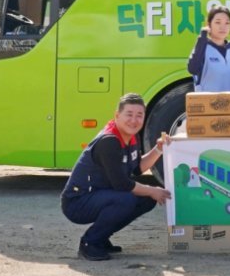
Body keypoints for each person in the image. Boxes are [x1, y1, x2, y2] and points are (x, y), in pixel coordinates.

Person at [60, 93, 170, 261]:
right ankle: (90, 243)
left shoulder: (131, 136)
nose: (134, 120)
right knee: (126, 199)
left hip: (99, 195)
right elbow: (122, 184)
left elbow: (137, 168)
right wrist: (152, 190)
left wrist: (158, 149)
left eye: (139, 115)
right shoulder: (109, 141)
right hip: (77, 202)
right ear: (117, 115)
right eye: (129, 114)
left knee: (146, 199)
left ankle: (101, 238)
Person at [186, 3, 230, 92]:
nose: (223, 27)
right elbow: (192, 69)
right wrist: (202, 37)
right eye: (218, 22)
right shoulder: (203, 47)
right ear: (209, 24)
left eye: (227, 23)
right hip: (207, 100)